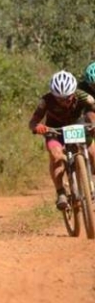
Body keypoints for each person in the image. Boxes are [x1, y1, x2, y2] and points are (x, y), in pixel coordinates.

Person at [29, 70, 95, 211]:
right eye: (59, 99)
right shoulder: (45, 101)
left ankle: (88, 178)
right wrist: (38, 127)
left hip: (78, 125)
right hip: (54, 130)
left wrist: (93, 122)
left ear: (73, 93)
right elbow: (33, 122)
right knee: (56, 155)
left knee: (93, 152)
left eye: (68, 98)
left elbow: (91, 110)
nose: (64, 102)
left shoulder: (84, 97)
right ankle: (61, 192)